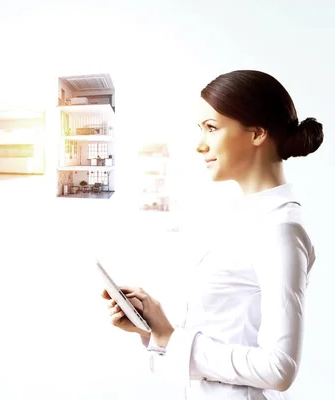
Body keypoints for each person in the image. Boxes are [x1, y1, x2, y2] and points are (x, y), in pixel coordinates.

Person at [103, 70, 323, 399]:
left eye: (212, 128)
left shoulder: (281, 230)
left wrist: (171, 339)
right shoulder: (241, 218)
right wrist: (154, 329)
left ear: (257, 133)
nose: (200, 144)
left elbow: (279, 368)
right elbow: (218, 342)